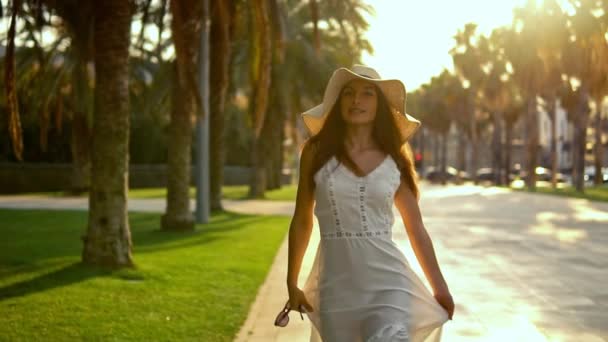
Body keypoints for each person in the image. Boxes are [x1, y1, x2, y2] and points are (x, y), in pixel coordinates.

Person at [285, 65, 455, 341]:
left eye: (367, 94)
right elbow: (302, 220)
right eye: (348, 94)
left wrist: (440, 287)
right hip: (336, 287)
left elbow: (416, 228)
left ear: (380, 105)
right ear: (338, 102)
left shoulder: (395, 158)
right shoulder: (316, 152)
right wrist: (291, 282)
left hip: (389, 283)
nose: (356, 101)